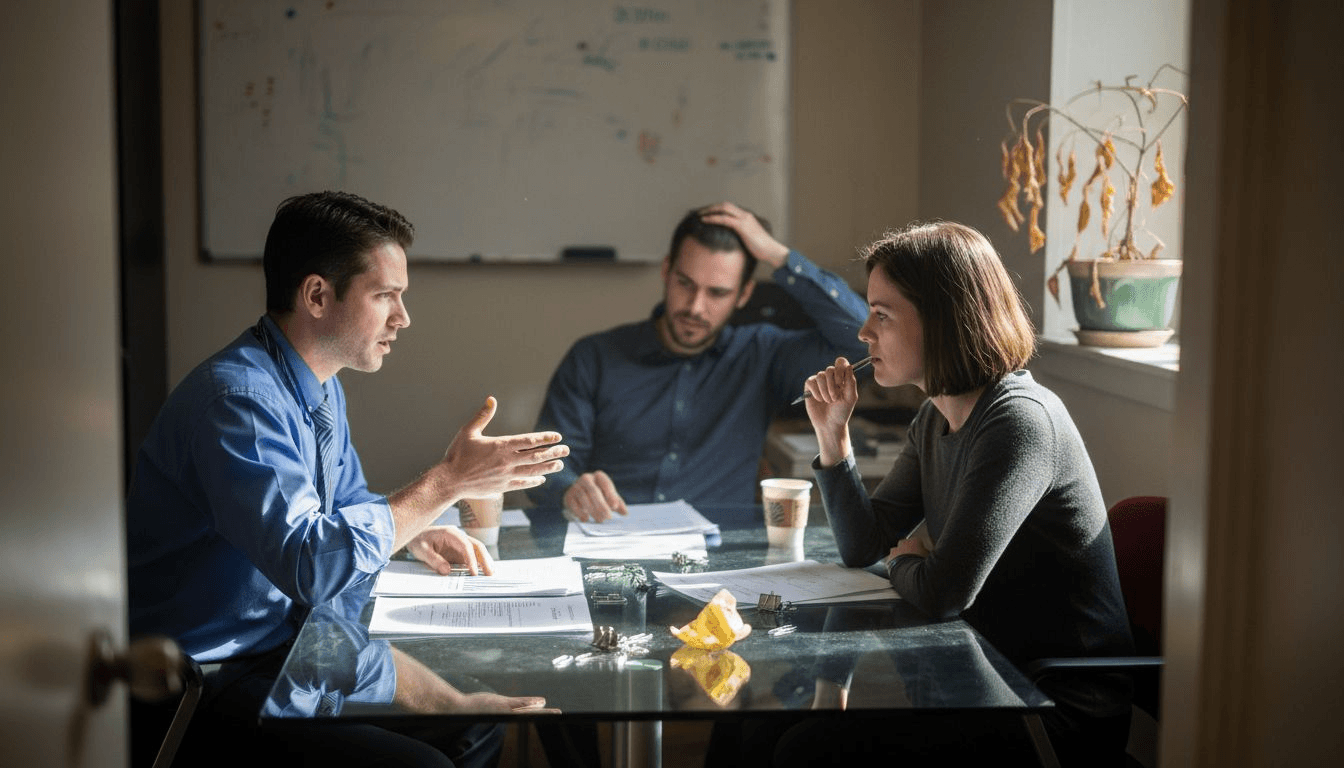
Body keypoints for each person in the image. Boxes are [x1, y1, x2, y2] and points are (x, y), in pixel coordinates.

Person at [126, 191, 569, 767]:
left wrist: (413, 530)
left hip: (292, 651)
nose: (402, 317)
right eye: (385, 295)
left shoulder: (319, 383)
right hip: (207, 683)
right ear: (317, 294)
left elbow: (349, 502)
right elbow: (312, 565)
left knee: (474, 726)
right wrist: (446, 483)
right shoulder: (236, 402)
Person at [791, 221, 1135, 766]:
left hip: (1045, 708)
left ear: (943, 322)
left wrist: (908, 562)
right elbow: (864, 548)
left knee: (809, 747)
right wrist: (833, 436)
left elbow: (944, 592)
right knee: (756, 729)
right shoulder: (935, 418)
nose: (863, 332)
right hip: (974, 670)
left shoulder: (1019, 422)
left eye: (882, 314)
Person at [527, 201, 868, 521]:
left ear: (744, 294)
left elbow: (863, 339)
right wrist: (570, 489)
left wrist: (778, 255)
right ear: (666, 271)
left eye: (717, 293)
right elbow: (547, 467)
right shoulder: (594, 358)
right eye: (685, 284)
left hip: (721, 564)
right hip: (609, 550)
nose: (695, 307)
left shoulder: (762, 354)